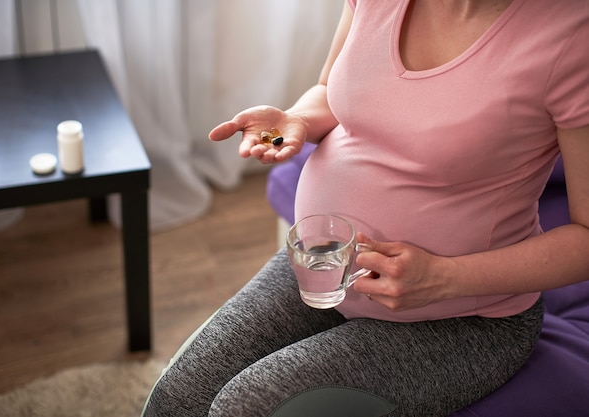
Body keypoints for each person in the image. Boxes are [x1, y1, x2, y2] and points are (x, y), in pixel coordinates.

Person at [143, 0, 589, 416]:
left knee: (246, 407)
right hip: (323, 265)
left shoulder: (571, 37)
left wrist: (444, 278)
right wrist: (296, 120)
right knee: (177, 397)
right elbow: (328, 90)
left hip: (462, 317)